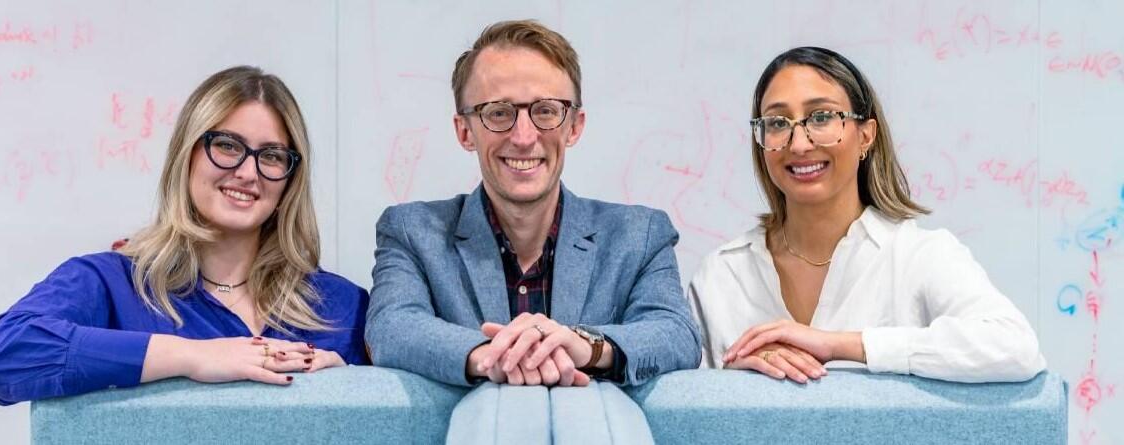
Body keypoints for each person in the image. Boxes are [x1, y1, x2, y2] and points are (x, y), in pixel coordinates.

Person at [0, 66, 368, 405]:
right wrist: (192, 357)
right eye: (228, 146)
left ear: (289, 180)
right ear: (187, 155)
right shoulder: (110, 284)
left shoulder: (341, 306)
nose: (248, 173)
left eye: (271, 156)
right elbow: (7, 355)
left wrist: (354, 385)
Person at [366, 19, 700, 390]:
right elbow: (389, 328)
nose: (523, 137)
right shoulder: (411, 231)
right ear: (464, 131)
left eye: (544, 111)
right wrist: (494, 356)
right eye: (498, 112)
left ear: (574, 126)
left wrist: (582, 345)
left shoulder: (640, 235)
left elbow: (676, 335)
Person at [690, 47, 1045, 384]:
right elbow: (683, 417)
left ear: (865, 136)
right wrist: (730, 382)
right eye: (778, 122)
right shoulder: (722, 276)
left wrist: (840, 345)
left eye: (823, 117)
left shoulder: (918, 255)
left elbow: (1015, 348)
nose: (798, 144)